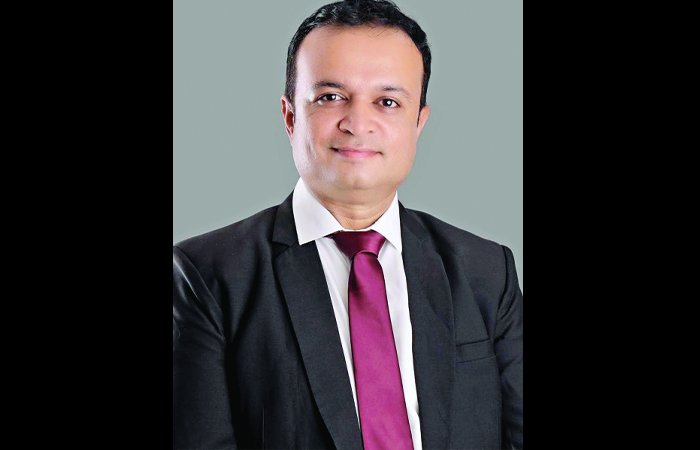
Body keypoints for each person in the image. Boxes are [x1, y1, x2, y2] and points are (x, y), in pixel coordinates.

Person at [173, 0, 522, 449]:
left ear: (418, 124)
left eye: (387, 102)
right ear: (290, 116)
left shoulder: (486, 271)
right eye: (330, 97)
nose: (358, 123)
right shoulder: (207, 275)